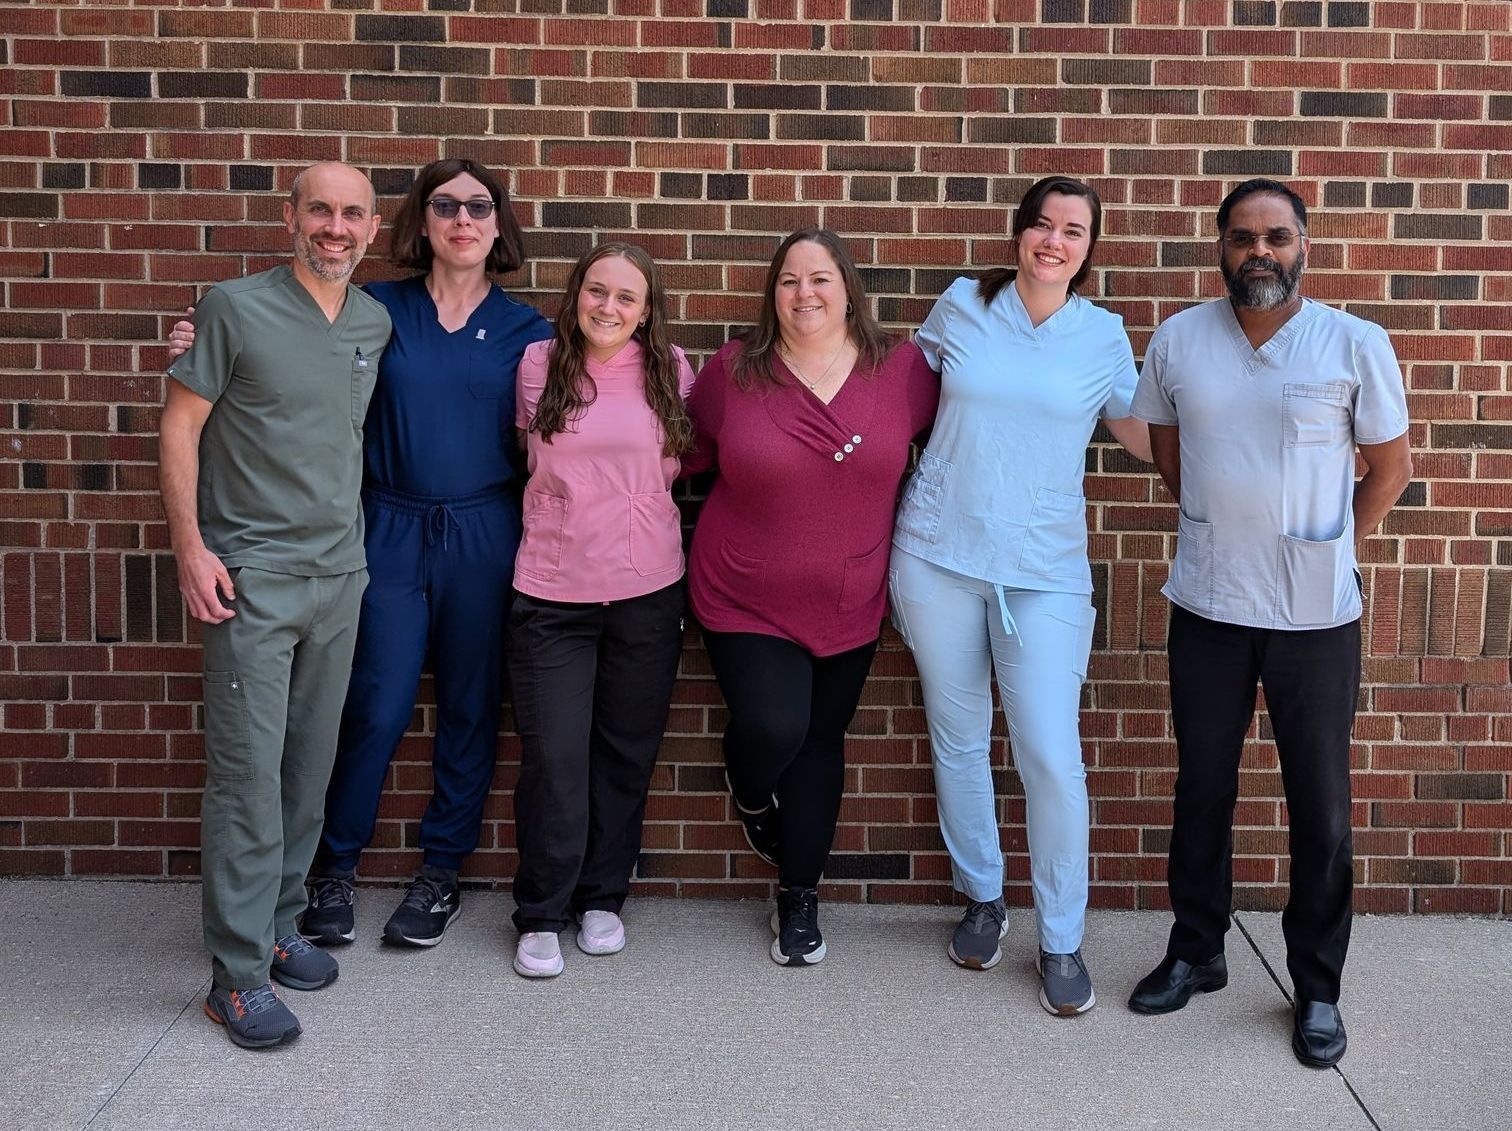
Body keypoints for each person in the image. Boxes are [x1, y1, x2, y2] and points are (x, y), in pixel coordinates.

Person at [169, 158, 551, 951]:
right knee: (369, 704)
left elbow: (597, 390)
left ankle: (439, 872)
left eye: (480, 206)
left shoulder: (530, 332)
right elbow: (285, 350)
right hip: (384, 526)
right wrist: (192, 338)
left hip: (483, 528)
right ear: (417, 223)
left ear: (499, 224)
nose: (462, 219)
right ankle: (331, 871)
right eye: (444, 204)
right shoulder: (376, 309)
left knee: (472, 708)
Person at [1126, 178, 1412, 1069]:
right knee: (1201, 788)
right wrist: (1216, 521)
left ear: (1304, 246)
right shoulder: (1180, 339)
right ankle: (1198, 949)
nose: (1261, 250)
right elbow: (1167, 450)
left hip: (1316, 618)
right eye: (1244, 236)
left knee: (1319, 805)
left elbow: (1390, 468)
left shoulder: (1354, 343)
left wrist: (1332, 550)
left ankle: (1318, 986)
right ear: (1220, 246)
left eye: (1277, 236)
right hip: (1209, 604)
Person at [888, 175, 1151, 1016]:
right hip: (935, 554)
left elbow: (1146, 437)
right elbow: (898, 399)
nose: (1054, 241)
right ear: (1017, 235)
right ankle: (983, 896)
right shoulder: (963, 304)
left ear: (1088, 249)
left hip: (1044, 572)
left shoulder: (1103, 336)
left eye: (1073, 230)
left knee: (1047, 751)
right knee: (959, 736)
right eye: (1041, 224)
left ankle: (1063, 937)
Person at [159, 161, 389, 1049]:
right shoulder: (231, 307)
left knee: (306, 768)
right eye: (319, 210)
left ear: (372, 228)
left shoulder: (373, 321)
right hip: (250, 578)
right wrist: (190, 548)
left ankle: (280, 923)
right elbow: (180, 421)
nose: (335, 226)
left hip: (340, 576)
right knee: (248, 777)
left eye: (352, 214)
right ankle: (236, 974)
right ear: (290, 216)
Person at [683, 229, 939, 967]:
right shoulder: (737, 370)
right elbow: (681, 449)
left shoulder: (904, 371)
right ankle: (752, 791)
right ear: (773, 294)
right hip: (742, 593)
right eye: (789, 281)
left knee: (823, 744)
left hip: (851, 596)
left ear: (848, 288)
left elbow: (958, 439)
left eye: (820, 278)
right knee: (772, 726)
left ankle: (799, 895)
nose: (804, 294)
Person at [507, 243, 695, 978]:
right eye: (597, 290)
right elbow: (528, 456)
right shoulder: (536, 364)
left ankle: (602, 898)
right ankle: (541, 911)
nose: (608, 307)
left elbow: (673, 466)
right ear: (576, 293)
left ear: (646, 310)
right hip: (552, 594)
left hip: (647, 591)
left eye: (626, 297)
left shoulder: (671, 368)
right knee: (554, 756)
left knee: (624, 752)